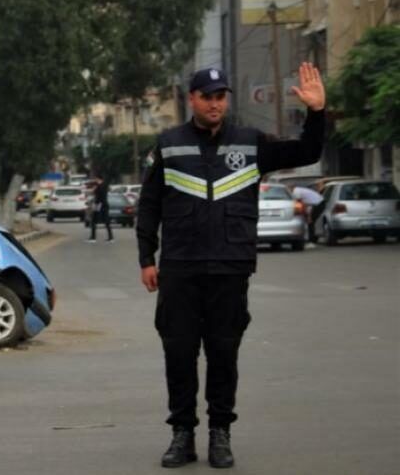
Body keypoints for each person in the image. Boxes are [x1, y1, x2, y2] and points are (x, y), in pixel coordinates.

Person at [136, 63, 325, 469]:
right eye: (208, 96)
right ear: (192, 99)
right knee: (180, 355)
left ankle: (220, 434)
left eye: (221, 96)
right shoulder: (168, 144)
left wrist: (316, 113)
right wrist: (145, 259)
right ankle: (182, 436)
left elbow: (307, 152)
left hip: (229, 267)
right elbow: (149, 205)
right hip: (180, 269)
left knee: (224, 354)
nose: (215, 103)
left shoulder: (250, 143)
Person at [88, 174, 113, 243]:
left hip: (98, 205)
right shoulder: (105, 185)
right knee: (106, 221)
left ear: (98, 179)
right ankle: (111, 237)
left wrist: (94, 190)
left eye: (96, 179)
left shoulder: (99, 186)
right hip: (104, 204)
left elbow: (97, 195)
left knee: (93, 221)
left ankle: (93, 238)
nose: (95, 180)